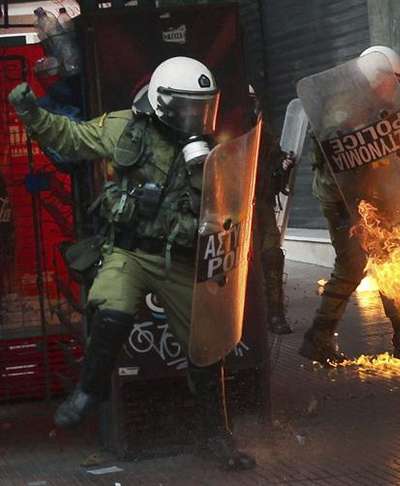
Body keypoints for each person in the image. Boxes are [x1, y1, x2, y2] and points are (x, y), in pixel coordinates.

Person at [7, 56, 255, 471]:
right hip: (131, 249)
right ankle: (89, 391)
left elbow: (228, 208)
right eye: (187, 107)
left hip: (179, 259)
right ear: (161, 102)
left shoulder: (207, 149)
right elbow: (72, 138)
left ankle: (216, 437)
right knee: (113, 308)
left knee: (207, 347)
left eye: (202, 107)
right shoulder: (127, 127)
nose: (196, 117)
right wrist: (32, 113)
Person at [298, 46, 400, 365]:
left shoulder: (376, 106)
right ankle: (319, 338)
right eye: (395, 81)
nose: (397, 89)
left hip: (369, 197)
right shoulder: (345, 106)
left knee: (389, 259)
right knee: (353, 265)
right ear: (376, 77)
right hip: (342, 198)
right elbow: (337, 148)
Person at [249, 85, 292, 335]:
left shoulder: (263, 133)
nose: (252, 107)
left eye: (253, 101)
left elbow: (275, 162)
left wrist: (283, 166)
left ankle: (275, 314)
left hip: (261, 205)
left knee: (272, 255)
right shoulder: (223, 131)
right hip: (231, 209)